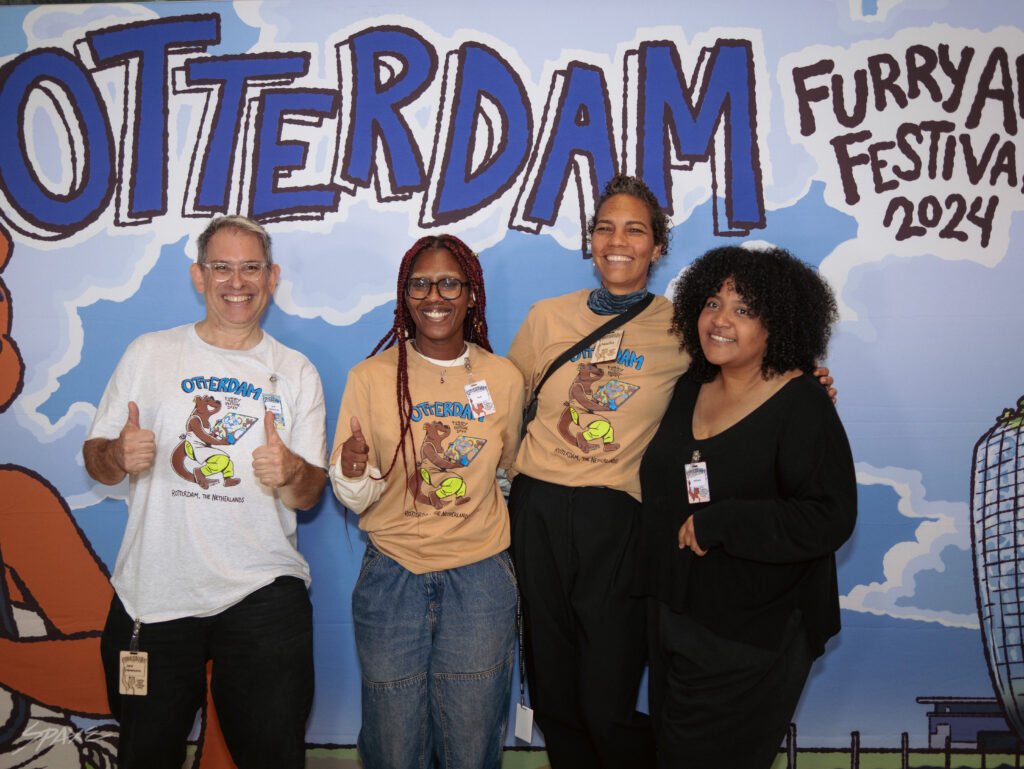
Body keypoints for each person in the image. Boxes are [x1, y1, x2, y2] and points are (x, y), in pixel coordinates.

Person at [507, 175, 835, 769]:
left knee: (605, 698)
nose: (618, 240)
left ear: (657, 248)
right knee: (553, 688)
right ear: (590, 240)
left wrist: (803, 379)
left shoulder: (684, 327)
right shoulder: (544, 319)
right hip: (537, 512)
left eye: (636, 229)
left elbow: (744, 371)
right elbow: (508, 414)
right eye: (605, 226)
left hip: (617, 520)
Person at [82, 216, 327, 769]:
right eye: (221, 267)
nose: (235, 282)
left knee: (273, 755)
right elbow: (96, 460)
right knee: (146, 754)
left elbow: (308, 495)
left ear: (272, 277)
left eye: (250, 268)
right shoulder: (149, 353)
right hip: (156, 590)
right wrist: (118, 456)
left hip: (263, 588)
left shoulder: (295, 371)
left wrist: (290, 470)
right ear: (199, 275)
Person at [637, 245, 857, 769]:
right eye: (713, 302)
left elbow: (829, 514)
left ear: (776, 323)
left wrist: (725, 521)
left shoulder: (800, 400)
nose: (720, 320)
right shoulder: (689, 385)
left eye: (744, 310)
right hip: (676, 617)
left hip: (756, 633)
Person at [330, 234, 523, 769]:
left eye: (449, 282)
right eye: (420, 283)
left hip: (480, 577)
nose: (434, 295)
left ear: (470, 295)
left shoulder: (503, 378)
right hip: (392, 574)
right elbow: (357, 489)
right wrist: (350, 473)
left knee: (471, 737)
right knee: (394, 744)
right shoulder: (369, 378)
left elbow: (507, 474)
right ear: (404, 295)